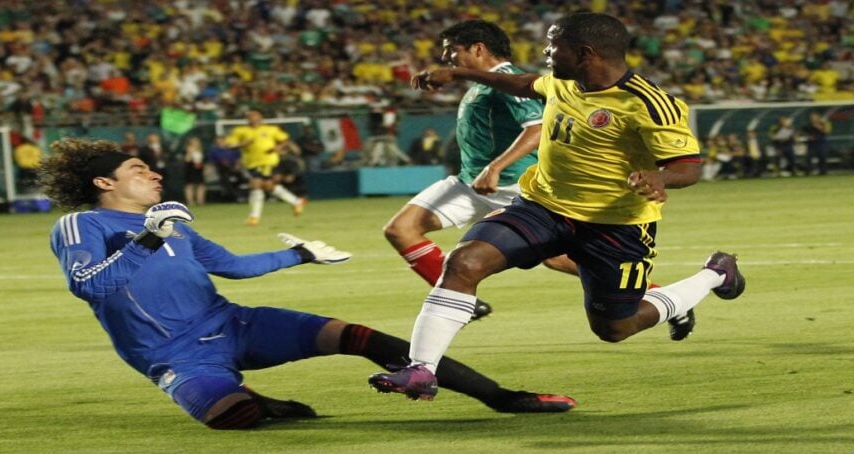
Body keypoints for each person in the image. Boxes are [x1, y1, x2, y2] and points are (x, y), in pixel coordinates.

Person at [38, 138, 576, 430]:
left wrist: (300, 254)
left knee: (362, 337)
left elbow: (232, 266)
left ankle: (502, 397)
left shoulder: (170, 221)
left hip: (235, 323)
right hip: (175, 355)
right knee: (235, 418)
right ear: (104, 182)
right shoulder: (82, 224)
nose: (154, 174)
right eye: (138, 169)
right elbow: (91, 287)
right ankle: (255, 400)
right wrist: (148, 240)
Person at [370, 12, 746, 401]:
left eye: (553, 45)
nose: (546, 52)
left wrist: (660, 178)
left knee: (615, 328)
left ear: (584, 53)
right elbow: (521, 83)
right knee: (464, 262)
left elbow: (688, 167)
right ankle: (421, 370)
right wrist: (459, 74)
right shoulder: (564, 82)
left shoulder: (650, 104)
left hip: (614, 226)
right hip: (542, 207)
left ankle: (715, 274)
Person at [382, 20, 579, 324]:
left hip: (516, 187)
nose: (446, 57)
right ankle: (460, 300)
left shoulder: (510, 81)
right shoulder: (484, 84)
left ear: (478, 49)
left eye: (451, 49)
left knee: (559, 259)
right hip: (471, 183)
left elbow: (537, 127)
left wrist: (495, 167)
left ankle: (650, 293)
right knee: (400, 229)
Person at [222, 109, 306, 226]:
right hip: (251, 163)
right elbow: (228, 144)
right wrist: (241, 144)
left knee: (256, 184)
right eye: (249, 115)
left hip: (269, 161)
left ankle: (254, 217)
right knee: (268, 186)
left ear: (261, 117)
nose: (252, 117)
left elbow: (285, 140)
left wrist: (278, 147)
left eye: (254, 115)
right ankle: (296, 201)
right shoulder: (240, 131)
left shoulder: (271, 129)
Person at [803, 112, 831, 176]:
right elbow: (803, 132)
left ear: (818, 117)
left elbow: (827, 132)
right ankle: (808, 171)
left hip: (821, 143)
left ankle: (823, 171)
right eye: (812, 117)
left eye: (815, 117)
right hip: (811, 144)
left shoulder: (823, 123)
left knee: (822, 157)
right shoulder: (808, 125)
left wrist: (818, 126)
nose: (813, 118)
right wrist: (808, 136)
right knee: (809, 157)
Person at [182, 136, 207, 206]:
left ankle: (200, 201)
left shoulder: (201, 151)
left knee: (201, 185)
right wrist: (190, 152)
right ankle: (190, 201)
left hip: (199, 170)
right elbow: (186, 160)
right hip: (190, 170)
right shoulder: (187, 150)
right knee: (190, 186)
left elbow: (204, 160)